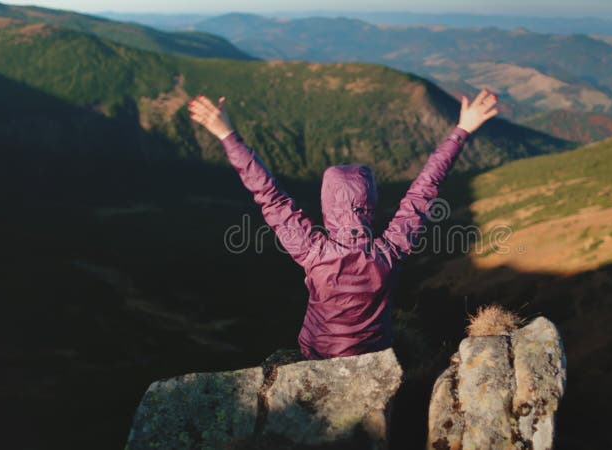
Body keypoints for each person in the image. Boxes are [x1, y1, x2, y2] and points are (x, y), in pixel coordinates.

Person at [189, 88, 499, 360]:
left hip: (317, 353)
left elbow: (268, 193)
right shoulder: (390, 252)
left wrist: (226, 134)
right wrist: (462, 130)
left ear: (326, 203)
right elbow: (426, 187)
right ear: (372, 203)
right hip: (377, 353)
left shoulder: (312, 251)